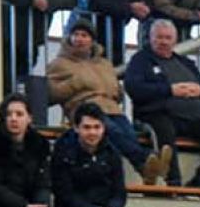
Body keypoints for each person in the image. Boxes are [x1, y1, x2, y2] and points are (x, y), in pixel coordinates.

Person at [124, 19, 200, 188]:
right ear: (150, 38)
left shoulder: (186, 63)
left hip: (197, 117)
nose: (163, 41)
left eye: (168, 37)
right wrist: (170, 90)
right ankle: (173, 182)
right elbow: (135, 88)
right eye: (159, 37)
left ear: (175, 40)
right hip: (159, 113)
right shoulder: (140, 60)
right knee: (165, 133)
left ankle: (198, 183)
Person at [47, 21, 166, 182]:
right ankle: (148, 160)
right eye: (75, 35)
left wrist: (117, 91)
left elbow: (114, 87)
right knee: (113, 131)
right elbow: (51, 94)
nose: (79, 39)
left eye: (84, 35)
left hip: (112, 107)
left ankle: (146, 171)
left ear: (92, 40)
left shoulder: (104, 64)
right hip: (85, 109)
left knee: (128, 134)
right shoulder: (59, 64)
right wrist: (76, 83)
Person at [50, 102, 126, 207]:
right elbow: (65, 194)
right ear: (76, 128)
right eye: (87, 127)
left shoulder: (112, 153)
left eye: (97, 127)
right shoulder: (63, 152)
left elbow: (119, 193)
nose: (92, 132)